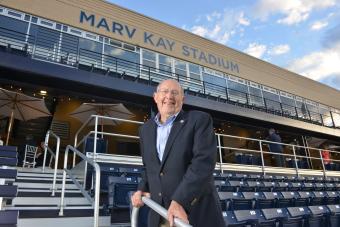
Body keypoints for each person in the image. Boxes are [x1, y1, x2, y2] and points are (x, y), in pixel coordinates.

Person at [131, 79, 225, 227]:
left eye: (175, 92)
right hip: (160, 214)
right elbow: (148, 167)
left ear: (183, 99)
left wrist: (180, 201)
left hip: (194, 214)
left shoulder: (199, 120)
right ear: (155, 97)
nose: (169, 96)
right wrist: (143, 188)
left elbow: (203, 164)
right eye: (165, 91)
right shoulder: (145, 129)